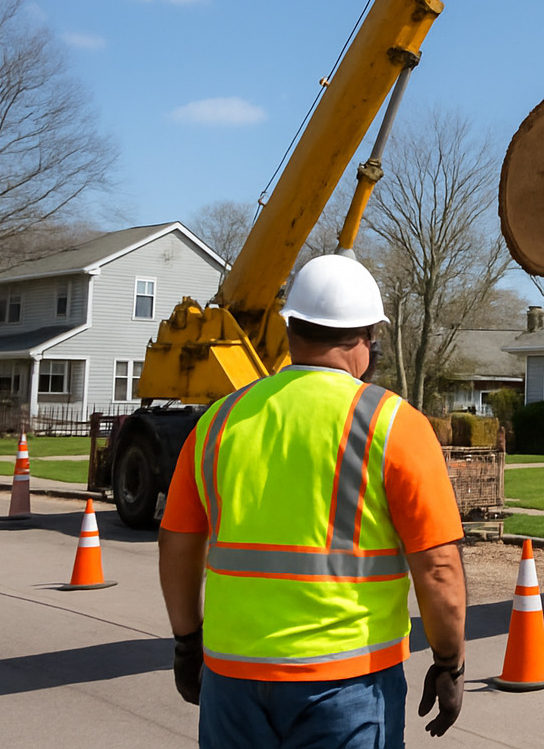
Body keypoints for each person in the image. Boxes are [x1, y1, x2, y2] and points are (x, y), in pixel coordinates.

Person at [158, 253, 468, 747]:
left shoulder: (218, 421)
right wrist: (449, 662)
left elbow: (176, 543)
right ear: (365, 339)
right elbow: (438, 568)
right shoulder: (394, 424)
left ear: (290, 331)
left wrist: (186, 642)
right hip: (348, 679)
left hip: (232, 676)